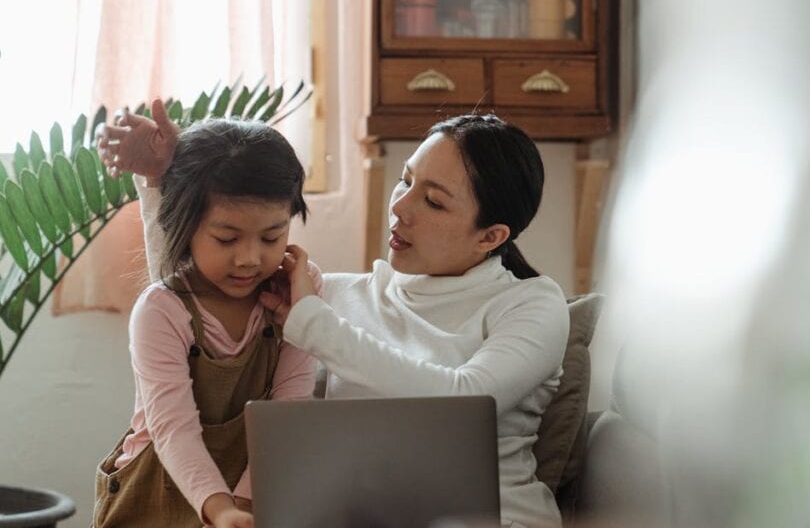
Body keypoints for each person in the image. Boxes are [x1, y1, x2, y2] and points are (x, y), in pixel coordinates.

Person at [100, 103, 570, 527]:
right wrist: (168, 175)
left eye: (433, 200)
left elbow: (466, 400)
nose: (400, 207)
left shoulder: (531, 304)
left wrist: (312, 321)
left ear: (490, 237)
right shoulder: (332, 296)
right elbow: (187, 298)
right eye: (406, 180)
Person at [93, 117, 321, 528]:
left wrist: (244, 505)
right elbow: (173, 430)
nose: (250, 258)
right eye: (226, 239)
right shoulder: (162, 310)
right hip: (152, 493)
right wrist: (221, 509)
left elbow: (291, 405)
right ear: (183, 224)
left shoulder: (298, 289)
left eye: (272, 236)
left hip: (249, 497)